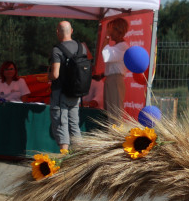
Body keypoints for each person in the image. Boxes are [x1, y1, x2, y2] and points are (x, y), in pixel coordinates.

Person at [49, 20, 89, 152]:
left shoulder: (57, 50)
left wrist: (47, 76)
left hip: (61, 93)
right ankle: (79, 157)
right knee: (74, 125)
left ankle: (63, 157)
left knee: (61, 123)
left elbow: (55, 74)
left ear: (57, 32)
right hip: (76, 92)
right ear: (71, 31)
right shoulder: (81, 47)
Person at [97, 17, 129, 116]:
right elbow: (113, 64)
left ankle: (116, 131)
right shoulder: (117, 47)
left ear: (119, 30)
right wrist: (103, 74)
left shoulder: (123, 46)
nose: (110, 33)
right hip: (111, 80)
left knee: (115, 112)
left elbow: (106, 56)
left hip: (115, 80)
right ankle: (112, 130)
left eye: (111, 30)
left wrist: (106, 37)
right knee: (109, 112)